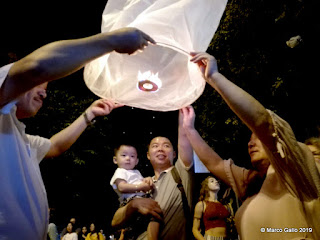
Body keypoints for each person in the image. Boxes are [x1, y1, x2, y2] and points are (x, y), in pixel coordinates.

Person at [0, 27, 155, 240]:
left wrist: (89, 114)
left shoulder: (17, 136)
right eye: (39, 85)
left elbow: (55, 146)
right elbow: (37, 67)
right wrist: (112, 41)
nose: (45, 92)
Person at [180, 52, 320, 239]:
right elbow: (215, 164)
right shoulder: (252, 181)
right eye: (250, 138)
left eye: (258, 137)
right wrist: (189, 129)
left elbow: (264, 122)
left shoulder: (297, 169)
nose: (250, 142)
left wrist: (214, 76)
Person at [111, 110, 194, 239]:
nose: (160, 148)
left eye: (166, 146)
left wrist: (182, 105)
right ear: (148, 155)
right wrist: (134, 205)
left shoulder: (181, 173)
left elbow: (184, 137)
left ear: (174, 154)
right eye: (155, 146)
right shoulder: (142, 184)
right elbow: (115, 222)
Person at [110, 144, 159, 240]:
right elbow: (122, 187)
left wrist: (147, 179)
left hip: (142, 200)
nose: (128, 158)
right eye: (124, 155)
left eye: (132, 156)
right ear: (115, 160)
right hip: (129, 201)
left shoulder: (136, 172)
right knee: (130, 229)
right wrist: (140, 186)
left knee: (153, 219)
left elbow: (142, 182)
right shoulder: (120, 171)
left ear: (136, 161)